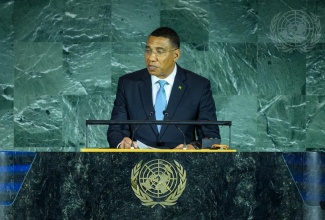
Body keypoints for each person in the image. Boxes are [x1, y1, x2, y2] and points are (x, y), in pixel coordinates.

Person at [107, 27, 220, 149]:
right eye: (148, 51)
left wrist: (193, 147)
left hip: (184, 164)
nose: (151, 58)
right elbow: (116, 130)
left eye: (159, 52)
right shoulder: (128, 84)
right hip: (137, 163)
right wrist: (123, 144)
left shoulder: (199, 86)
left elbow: (210, 136)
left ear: (176, 55)